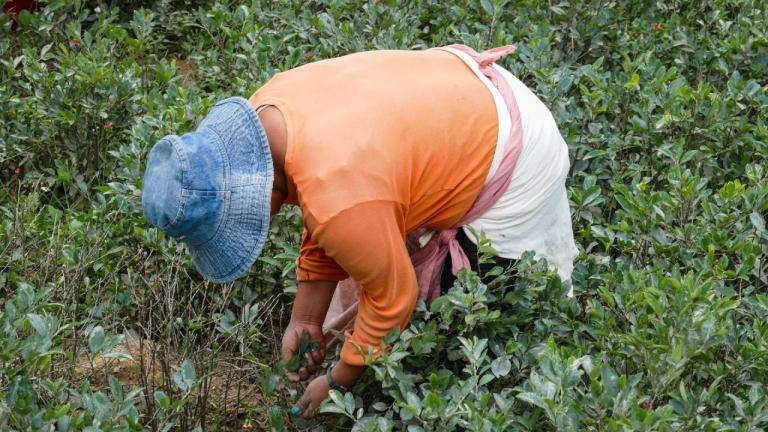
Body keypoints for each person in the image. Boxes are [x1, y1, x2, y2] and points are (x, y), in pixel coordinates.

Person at [141, 44, 579, 416]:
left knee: (457, 312)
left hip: (518, 154)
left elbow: (393, 296)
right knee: (363, 237)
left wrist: (339, 379)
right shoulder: (265, 113)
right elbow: (320, 193)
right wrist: (306, 318)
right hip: (462, 94)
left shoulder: (339, 193)